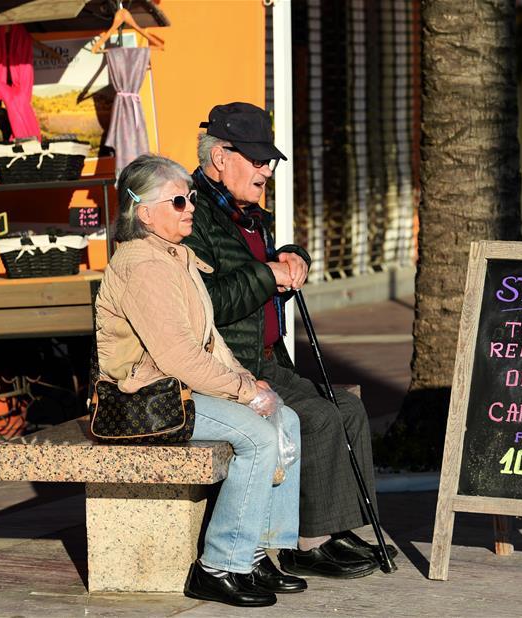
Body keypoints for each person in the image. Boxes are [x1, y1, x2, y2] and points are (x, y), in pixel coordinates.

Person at [183, 102, 397, 579]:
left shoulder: (248, 214)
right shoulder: (194, 215)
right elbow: (206, 302)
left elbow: (264, 263)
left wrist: (291, 256)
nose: (266, 170)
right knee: (318, 417)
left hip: (267, 356)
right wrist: (266, 273)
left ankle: (339, 528)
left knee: (348, 409)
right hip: (229, 365)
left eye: (268, 160)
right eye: (257, 159)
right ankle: (308, 541)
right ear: (221, 157)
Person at [95, 154, 306, 608]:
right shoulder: (143, 266)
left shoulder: (176, 257)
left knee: (285, 419)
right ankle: (220, 565)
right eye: (177, 200)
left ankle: (257, 551)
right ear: (144, 212)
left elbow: (209, 341)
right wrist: (245, 393)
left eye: (189, 197)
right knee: (255, 433)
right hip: (144, 399)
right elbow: (177, 356)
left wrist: (250, 382)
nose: (190, 206)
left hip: (178, 389)